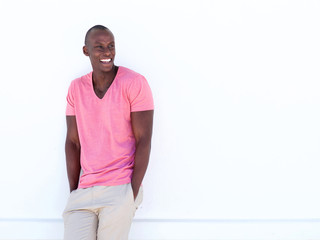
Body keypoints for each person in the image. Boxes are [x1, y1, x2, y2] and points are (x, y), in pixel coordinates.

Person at [62, 25, 154, 240]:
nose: (107, 52)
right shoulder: (76, 88)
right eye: (99, 47)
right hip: (84, 191)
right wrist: (74, 191)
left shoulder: (134, 83)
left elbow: (144, 140)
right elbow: (73, 142)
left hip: (119, 187)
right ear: (86, 51)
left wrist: (130, 193)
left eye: (111, 46)